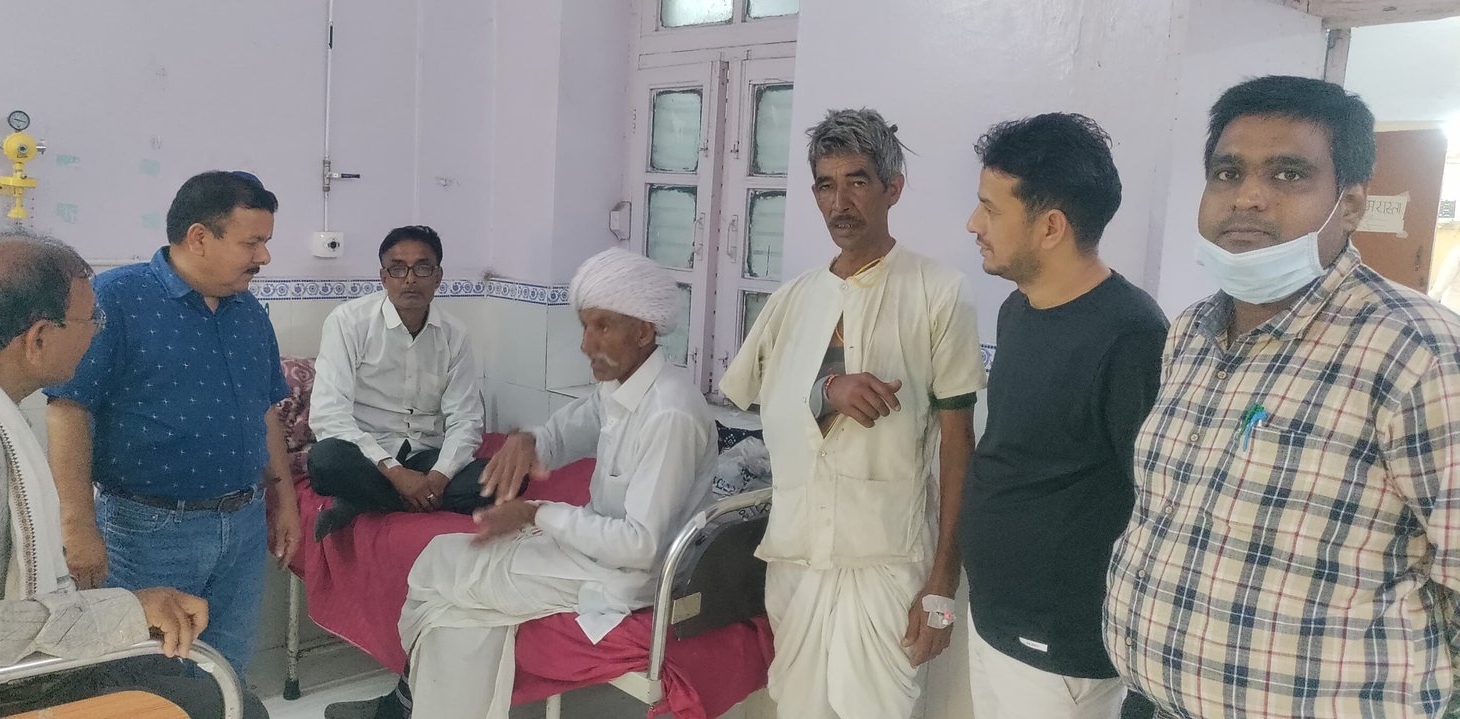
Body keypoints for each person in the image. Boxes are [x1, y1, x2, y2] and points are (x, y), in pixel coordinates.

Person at [1105, 75, 1460, 718]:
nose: (1248, 196)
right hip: (1152, 703)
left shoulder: (1416, 349)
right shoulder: (1190, 331)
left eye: (1289, 174)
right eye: (1227, 172)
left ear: (1349, 205)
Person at [0, 229, 265, 718]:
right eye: (91, 319)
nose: (96, 331)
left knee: (200, 686)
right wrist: (123, 610)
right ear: (38, 339)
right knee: (223, 702)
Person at [721, 108, 986, 718]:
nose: (840, 202)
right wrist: (827, 391)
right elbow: (765, 408)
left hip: (888, 558)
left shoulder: (939, 291)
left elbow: (958, 444)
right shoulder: (792, 299)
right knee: (798, 707)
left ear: (893, 189)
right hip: (798, 554)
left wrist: (942, 586)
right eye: (825, 184)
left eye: (857, 181)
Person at [387, 248, 715, 719]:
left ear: (643, 332)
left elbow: (641, 547)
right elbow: (566, 432)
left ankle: (405, 704)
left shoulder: (669, 414)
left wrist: (536, 513)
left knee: (439, 571)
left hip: (628, 579)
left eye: (601, 327)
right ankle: (411, 703)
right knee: (454, 603)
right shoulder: (621, 388)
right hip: (593, 555)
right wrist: (528, 442)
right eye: (584, 327)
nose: (585, 345)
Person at [45, 170, 301, 678]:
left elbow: (265, 408)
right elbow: (69, 409)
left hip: (243, 523)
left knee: (226, 670)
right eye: (252, 243)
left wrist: (285, 500)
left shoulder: (249, 311)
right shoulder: (115, 300)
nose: (264, 257)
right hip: (148, 531)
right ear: (199, 237)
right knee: (147, 677)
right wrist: (76, 526)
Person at [958, 113, 1167, 719]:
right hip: (994, 620)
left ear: (1050, 226)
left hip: (1062, 651)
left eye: (990, 209)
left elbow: (1155, 504)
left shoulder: (1131, 336)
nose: (973, 224)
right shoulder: (1017, 310)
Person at [308, 225, 489, 540]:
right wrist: (395, 473)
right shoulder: (348, 322)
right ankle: (410, 500)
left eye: (422, 268)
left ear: (438, 276)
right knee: (325, 459)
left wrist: (439, 477)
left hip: (426, 456)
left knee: (499, 478)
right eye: (398, 269)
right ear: (383, 277)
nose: (410, 279)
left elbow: (466, 418)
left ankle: (364, 503)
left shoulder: (454, 334)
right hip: (368, 457)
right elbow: (328, 415)